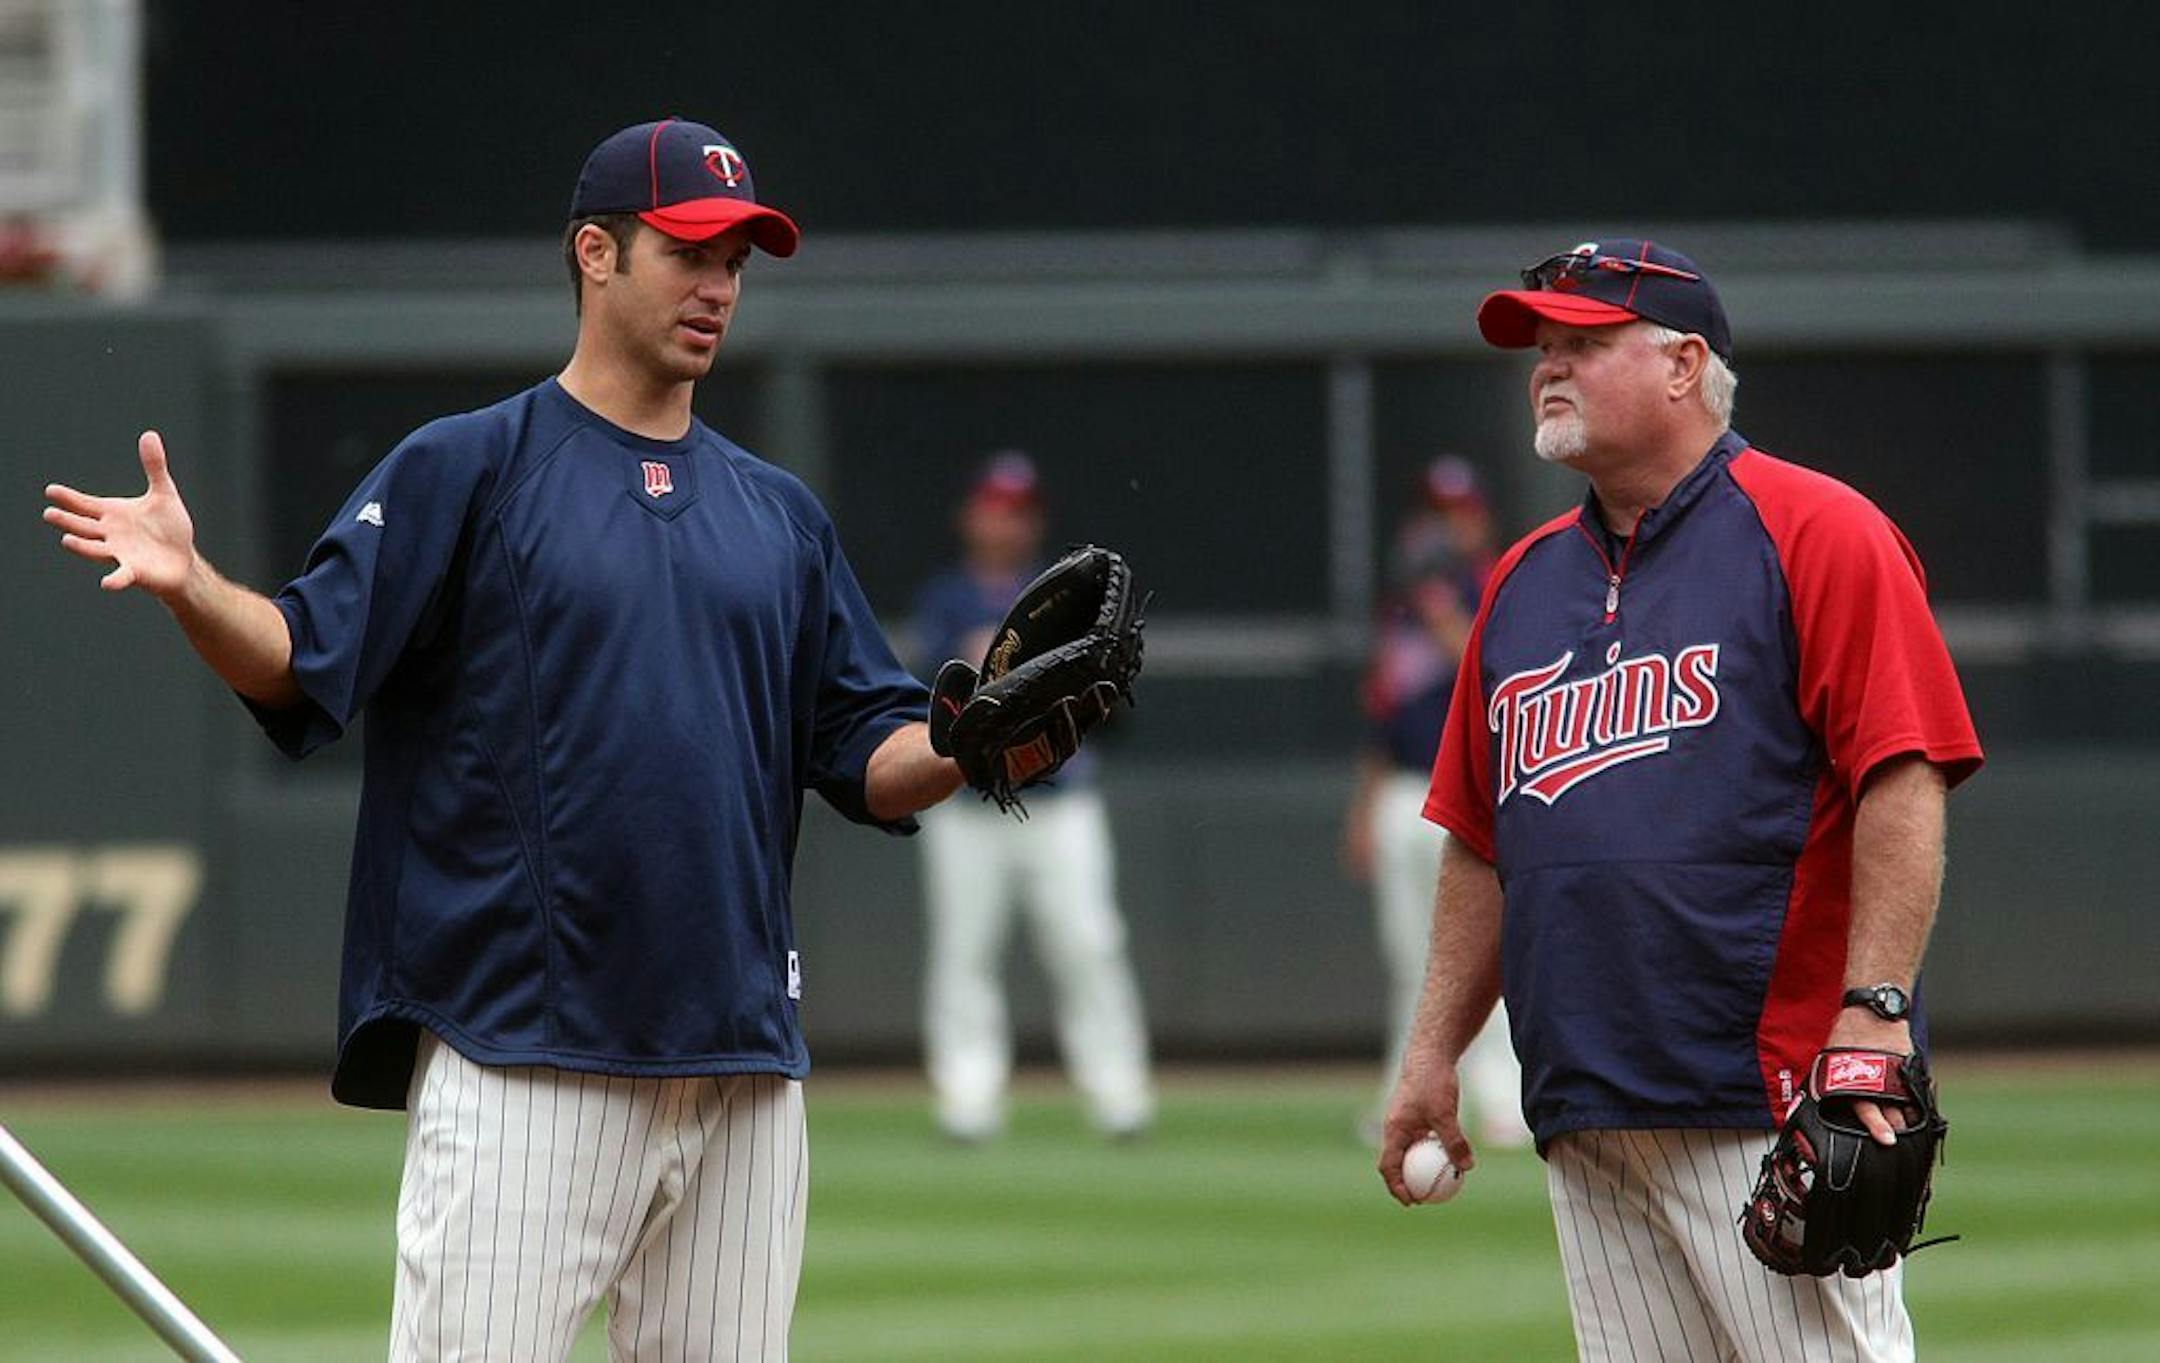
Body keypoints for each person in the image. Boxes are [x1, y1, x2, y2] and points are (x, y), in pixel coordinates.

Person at [43, 118, 971, 1363]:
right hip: (527, 1057)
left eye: (738, 262)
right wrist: (192, 582)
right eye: (688, 251)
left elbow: (871, 755)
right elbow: (301, 659)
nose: (718, 287)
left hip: (745, 1066)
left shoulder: (780, 518)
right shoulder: (470, 469)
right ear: (597, 251)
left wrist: (981, 737)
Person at [1376, 239, 1983, 1362]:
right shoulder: (1520, 583)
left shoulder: (1818, 533)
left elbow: (1905, 771)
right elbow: (1479, 838)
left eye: (1582, 342)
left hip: (1760, 1096)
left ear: (1683, 364)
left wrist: (1878, 1007)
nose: (1547, 367)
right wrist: (1431, 1056)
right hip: (1585, 1099)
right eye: (1540, 347)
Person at [909, 452, 1155, 1142]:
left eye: (1016, 509)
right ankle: (967, 1098)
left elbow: (1118, 712)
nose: (1004, 521)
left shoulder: (1070, 597)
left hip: (1062, 803)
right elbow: (925, 704)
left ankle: (1119, 1095)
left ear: (1034, 521)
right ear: (969, 516)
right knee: (965, 952)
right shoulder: (947, 600)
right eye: (994, 506)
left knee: (1090, 944)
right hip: (970, 808)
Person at [1341, 456, 1527, 1150]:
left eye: (1458, 511)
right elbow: (1381, 716)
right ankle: (1407, 1088)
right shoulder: (1401, 604)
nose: (1445, 526)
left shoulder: (1506, 584)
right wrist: (1360, 810)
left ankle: (1504, 1099)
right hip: (1402, 790)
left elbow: (1493, 675)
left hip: (1481, 794)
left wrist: (1443, 609)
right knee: (1410, 959)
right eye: (1435, 512)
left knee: (1491, 949)